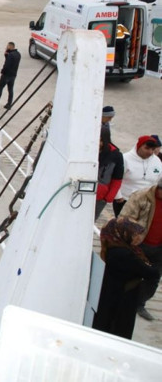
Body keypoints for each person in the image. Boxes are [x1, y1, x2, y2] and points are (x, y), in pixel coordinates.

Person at [92, 218, 158, 339]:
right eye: (134, 234)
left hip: (111, 295)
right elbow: (152, 273)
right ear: (124, 234)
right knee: (118, 330)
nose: (138, 238)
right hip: (122, 299)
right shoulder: (125, 254)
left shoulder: (113, 247)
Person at [121, 176, 162, 321]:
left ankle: (139, 304)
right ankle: (124, 302)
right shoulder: (141, 196)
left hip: (159, 249)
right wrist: (135, 232)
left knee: (153, 278)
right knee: (132, 275)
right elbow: (124, 218)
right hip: (139, 244)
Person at [115, 135, 162, 217]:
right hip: (125, 200)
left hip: (147, 201)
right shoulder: (125, 159)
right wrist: (118, 196)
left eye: (153, 149)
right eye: (147, 148)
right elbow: (116, 179)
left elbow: (159, 179)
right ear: (138, 146)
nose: (150, 152)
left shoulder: (157, 161)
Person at [96, 126, 124, 220]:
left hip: (100, 198)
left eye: (101, 140)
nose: (99, 144)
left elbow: (117, 179)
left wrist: (108, 198)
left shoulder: (116, 155)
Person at [0, 41, 21, 109]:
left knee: (0, 88)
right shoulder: (18, 54)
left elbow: (7, 65)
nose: (6, 47)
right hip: (13, 75)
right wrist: (6, 55)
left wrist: (3, 71)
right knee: (10, 89)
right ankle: (9, 104)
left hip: (6, 75)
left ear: (11, 46)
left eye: (7, 46)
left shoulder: (10, 55)